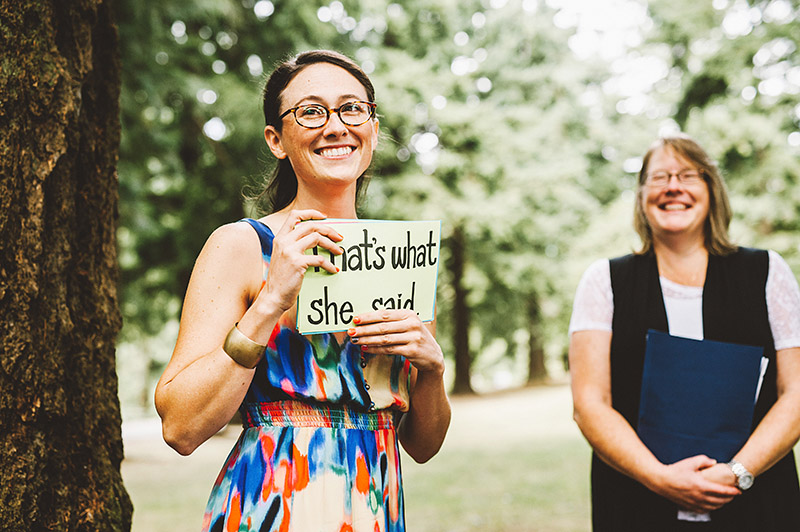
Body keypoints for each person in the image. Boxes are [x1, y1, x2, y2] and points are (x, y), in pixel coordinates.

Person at [154, 50, 451, 532]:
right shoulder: (242, 246)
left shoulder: (400, 258)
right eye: (312, 111)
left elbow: (422, 446)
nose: (336, 126)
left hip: (375, 506)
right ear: (276, 139)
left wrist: (432, 369)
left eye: (352, 108)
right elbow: (180, 427)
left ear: (372, 128)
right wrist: (270, 301)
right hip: (273, 506)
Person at [568, 134, 800, 531]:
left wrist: (736, 472)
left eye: (688, 175)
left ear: (712, 189)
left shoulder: (767, 272)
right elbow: (590, 403)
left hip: (756, 501)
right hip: (636, 503)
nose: (673, 186)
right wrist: (659, 477)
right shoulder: (604, 281)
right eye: (659, 177)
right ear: (642, 195)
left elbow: (795, 392)